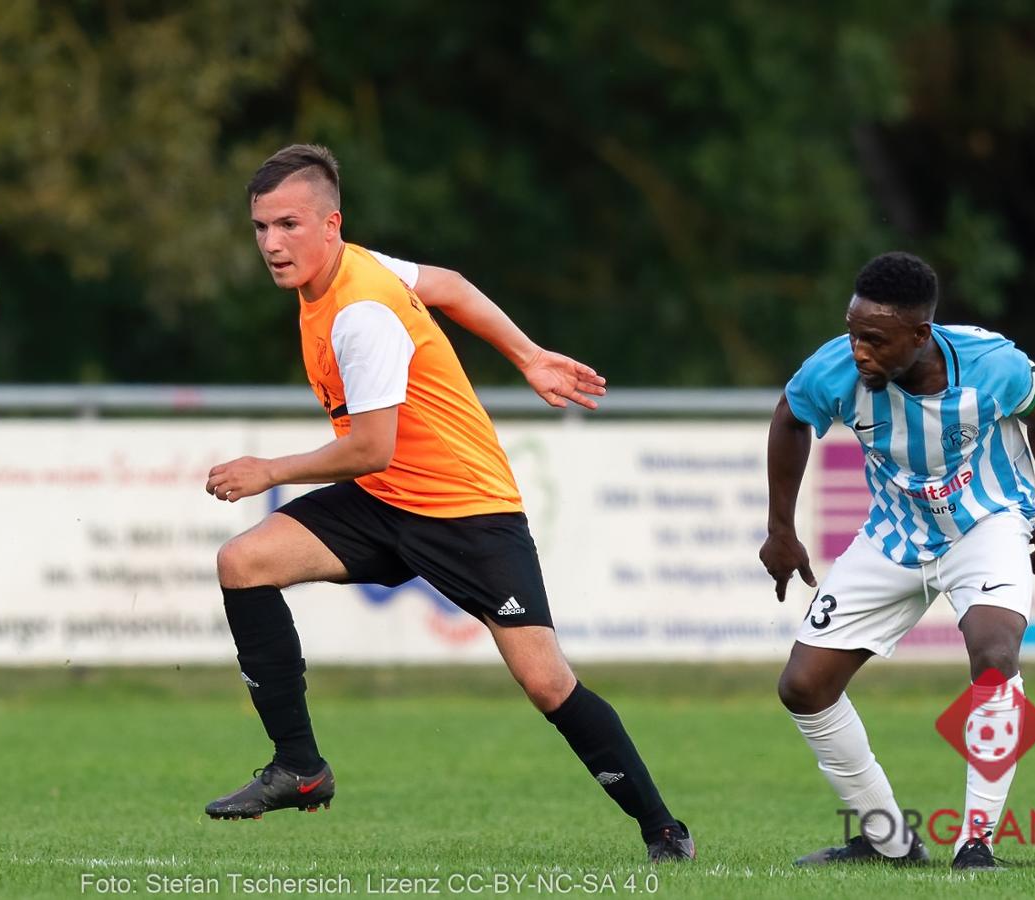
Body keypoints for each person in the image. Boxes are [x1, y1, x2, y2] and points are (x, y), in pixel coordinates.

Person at [201, 144, 694, 862]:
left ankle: (663, 830)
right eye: (260, 227)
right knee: (243, 562)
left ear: (331, 224)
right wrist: (528, 355)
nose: (272, 244)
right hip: (384, 502)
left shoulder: (360, 312)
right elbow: (453, 286)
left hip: (466, 509)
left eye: (288, 225)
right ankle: (299, 769)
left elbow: (371, 447)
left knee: (546, 682)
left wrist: (268, 470)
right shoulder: (350, 269)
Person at [758, 251, 1035, 870]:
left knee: (994, 657)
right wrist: (780, 529)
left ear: (920, 333)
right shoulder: (837, 368)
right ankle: (888, 841)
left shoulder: (992, 364)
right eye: (853, 333)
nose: (858, 352)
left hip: (986, 523)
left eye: (875, 340)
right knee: (803, 686)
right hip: (894, 534)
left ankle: (976, 844)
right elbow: (789, 418)